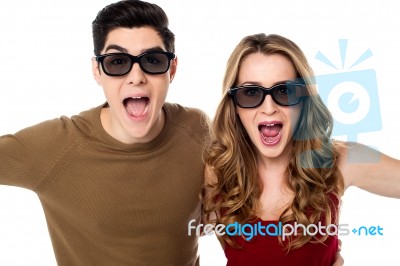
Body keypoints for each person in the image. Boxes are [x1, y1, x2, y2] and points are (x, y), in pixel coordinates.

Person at [0, 0, 210, 265]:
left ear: (172, 69)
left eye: (152, 60)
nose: (136, 77)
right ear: (97, 71)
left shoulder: (197, 130)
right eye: (118, 61)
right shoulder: (57, 146)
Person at [203, 33, 400, 265]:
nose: (269, 108)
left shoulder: (342, 160)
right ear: (234, 105)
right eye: (251, 93)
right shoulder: (217, 171)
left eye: (285, 91)